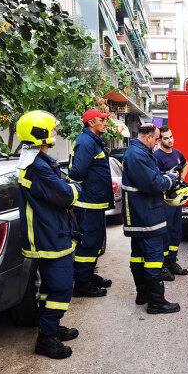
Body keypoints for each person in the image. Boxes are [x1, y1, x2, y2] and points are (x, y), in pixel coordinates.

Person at [16, 110, 82, 359]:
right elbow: (65, 195)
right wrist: (75, 188)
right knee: (62, 287)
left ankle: (50, 328)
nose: (54, 133)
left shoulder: (35, 162)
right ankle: (46, 339)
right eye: (51, 129)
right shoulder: (38, 168)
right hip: (50, 236)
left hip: (47, 233)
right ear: (39, 134)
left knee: (48, 287)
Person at [122, 123, 180, 314]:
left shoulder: (137, 153)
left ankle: (143, 294)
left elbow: (149, 177)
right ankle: (156, 302)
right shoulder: (138, 155)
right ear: (148, 137)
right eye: (156, 139)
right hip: (146, 215)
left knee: (138, 256)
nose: (157, 143)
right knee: (154, 258)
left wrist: (164, 175)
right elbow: (152, 183)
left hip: (140, 214)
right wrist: (170, 179)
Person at [68, 108, 113, 298]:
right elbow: (77, 172)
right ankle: (82, 283)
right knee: (87, 244)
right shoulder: (86, 142)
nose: (105, 123)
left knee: (95, 243)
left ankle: (88, 275)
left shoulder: (91, 141)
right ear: (91, 123)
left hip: (95, 203)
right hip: (88, 204)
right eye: (101, 120)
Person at [153, 126, 188, 280]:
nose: (170, 140)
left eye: (171, 137)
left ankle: (172, 261)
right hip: (164, 201)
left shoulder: (177, 153)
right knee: (165, 233)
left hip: (176, 200)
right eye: (166, 138)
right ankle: (162, 265)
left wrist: (182, 179)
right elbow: (154, 177)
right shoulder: (156, 156)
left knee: (176, 230)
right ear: (159, 140)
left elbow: (186, 164)